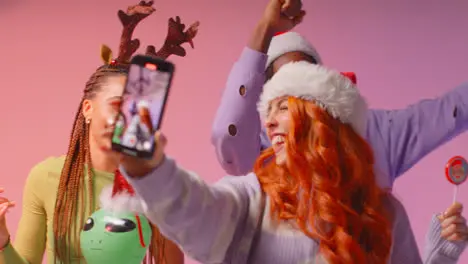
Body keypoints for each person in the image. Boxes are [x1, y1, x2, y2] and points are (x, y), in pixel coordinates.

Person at [119, 62, 467, 263]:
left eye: (282, 108)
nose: (269, 123)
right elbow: (195, 212)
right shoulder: (251, 199)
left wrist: (441, 257)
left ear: (325, 121)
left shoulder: (384, 213)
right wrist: (149, 170)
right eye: (267, 112)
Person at [0, 1, 199, 263]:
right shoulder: (46, 177)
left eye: (134, 108)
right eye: (117, 104)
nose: (125, 118)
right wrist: (2, 242)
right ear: (88, 109)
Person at [211, 0, 468, 190]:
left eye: (306, 78)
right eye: (285, 89)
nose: (299, 96)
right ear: (266, 103)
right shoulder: (259, 153)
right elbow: (228, 132)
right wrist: (265, 28)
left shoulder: (374, 133)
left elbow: (451, 110)